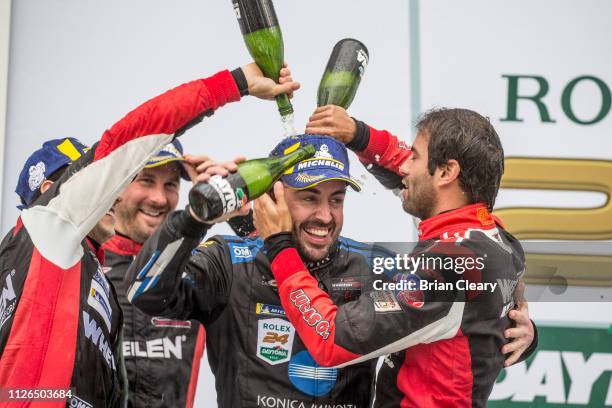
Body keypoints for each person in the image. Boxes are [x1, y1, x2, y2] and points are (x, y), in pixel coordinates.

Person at [125, 134, 535, 407]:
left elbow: (458, 316)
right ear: (274, 196)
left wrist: (522, 335)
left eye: (336, 199)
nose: (325, 216)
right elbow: (144, 292)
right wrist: (196, 218)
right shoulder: (230, 260)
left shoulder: (373, 264)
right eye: (308, 198)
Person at [0, 63, 298, 407]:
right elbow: (128, 138)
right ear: (52, 192)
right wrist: (235, 82)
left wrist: (232, 214)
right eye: (110, 182)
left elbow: (261, 285)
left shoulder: (82, 275)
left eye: (170, 184)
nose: (115, 191)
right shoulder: (48, 230)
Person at [253, 108, 535, 407]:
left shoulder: (452, 267)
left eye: (414, 157)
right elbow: (482, 322)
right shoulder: (497, 240)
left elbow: (330, 337)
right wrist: (358, 135)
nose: (405, 168)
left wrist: (280, 244)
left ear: (446, 172)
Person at [102, 139, 209, 407]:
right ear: (118, 185)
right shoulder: (84, 264)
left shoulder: (198, 268)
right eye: (147, 181)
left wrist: (236, 210)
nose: (159, 198)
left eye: (170, 185)